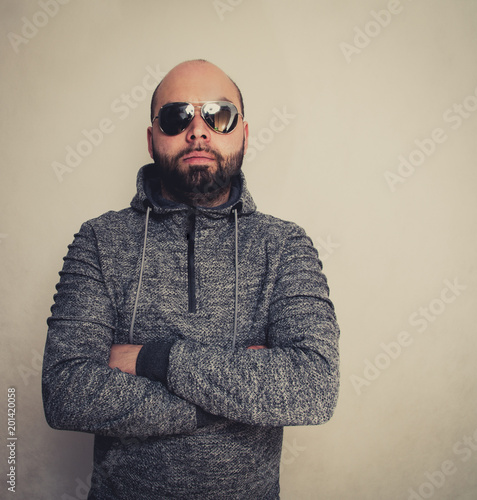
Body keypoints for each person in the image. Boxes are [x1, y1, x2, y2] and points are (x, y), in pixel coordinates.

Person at [42, 59, 340, 500]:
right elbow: (66, 391)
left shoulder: (284, 245)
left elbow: (313, 386)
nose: (198, 130)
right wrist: (237, 396)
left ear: (244, 132)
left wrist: (152, 361)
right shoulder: (99, 240)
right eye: (176, 116)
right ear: (151, 138)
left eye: (219, 115)